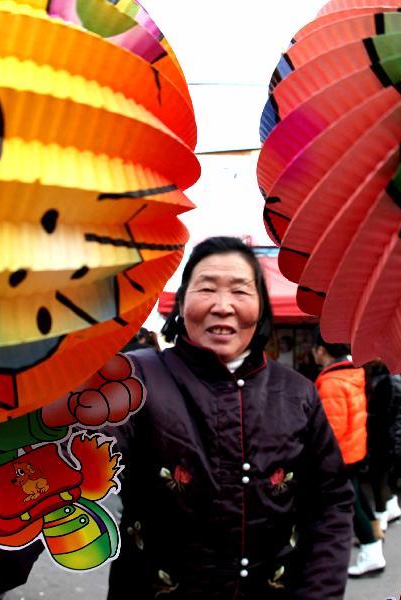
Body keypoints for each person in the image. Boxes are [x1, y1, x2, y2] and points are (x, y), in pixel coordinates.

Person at [108, 236, 354, 598]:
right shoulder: (134, 380)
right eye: (206, 288)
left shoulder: (298, 393)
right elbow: (69, 475)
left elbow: (331, 501)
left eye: (240, 291)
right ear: (181, 303)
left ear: (261, 307)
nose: (223, 306)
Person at [311, 336, 384, 577]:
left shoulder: (331, 382)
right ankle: (374, 535)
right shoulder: (353, 373)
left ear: (321, 351)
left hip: (339, 456)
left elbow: (330, 431)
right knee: (356, 497)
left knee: (349, 503)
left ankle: (371, 550)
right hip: (353, 449)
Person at [363, 361, 401, 531]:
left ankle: (380, 521)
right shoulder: (386, 376)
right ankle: (391, 510)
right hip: (387, 438)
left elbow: (384, 415)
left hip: (385, 439)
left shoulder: (390, 379)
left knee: (378, 479)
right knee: (380, 478)